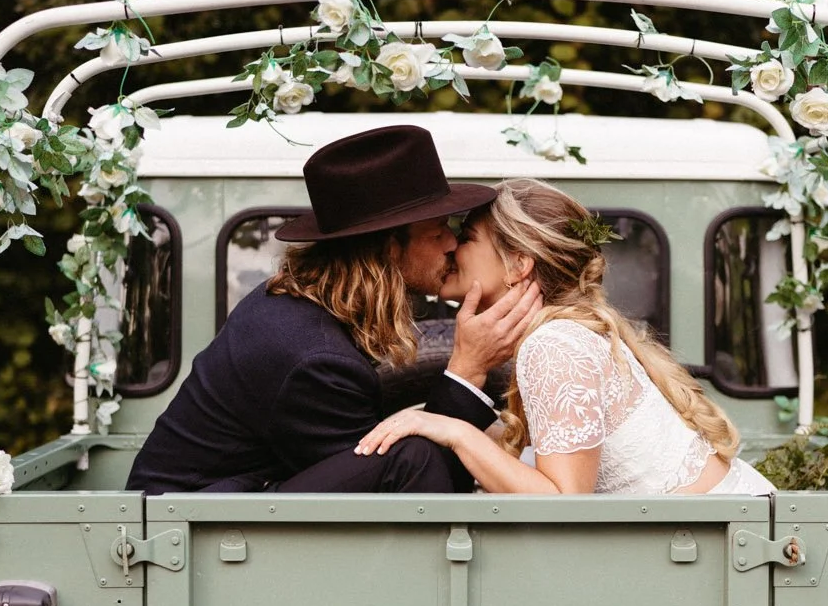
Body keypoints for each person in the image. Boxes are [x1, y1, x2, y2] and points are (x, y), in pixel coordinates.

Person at [128, 126, 539, 495]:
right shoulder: (313, 356)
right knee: (413, 455)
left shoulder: (307, 306)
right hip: (190, 525)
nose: (451, 245)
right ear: (386, 249)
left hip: (231, 502)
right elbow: (402, 491)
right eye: (436, 233)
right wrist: (467, 370)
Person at [355, 178, 774, 497]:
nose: (451, 247)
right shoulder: (570, 333)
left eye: (466, 238)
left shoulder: (553, 345)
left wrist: (453, 431)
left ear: (519, 264)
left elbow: (564, 504)